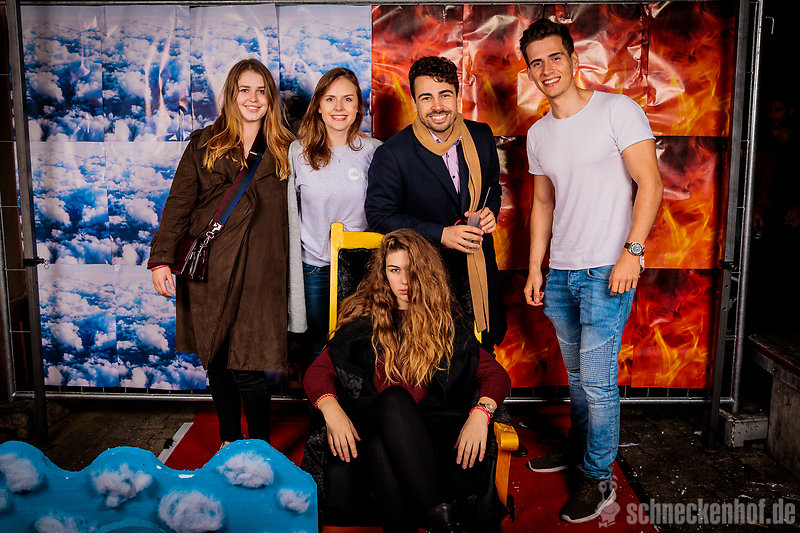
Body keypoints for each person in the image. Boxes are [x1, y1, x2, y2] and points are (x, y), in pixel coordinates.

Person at [519, 19, 663, 523]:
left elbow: (650, 183)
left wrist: (632, 252)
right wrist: (536, 268)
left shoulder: (616, 110)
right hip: (562, 272)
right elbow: (542, 203)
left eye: (554, 57)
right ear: (529, 72)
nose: (546, 69)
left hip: (608, 268)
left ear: (574, 59)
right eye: (536, 62)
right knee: (578, 378)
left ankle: (597, 476)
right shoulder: (538, 133)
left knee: (599, 384)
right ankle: (580, 451)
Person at [302, 229, 510, 533]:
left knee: (381, 446)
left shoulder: (446, 325)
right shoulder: (364, 323)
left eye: (411, 270)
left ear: (425, 272)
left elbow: (495, 373)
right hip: (368, 431)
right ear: (383, 274)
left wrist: (481, 413)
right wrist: (331, 409)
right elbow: (318, 372)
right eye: (394, 270)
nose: (404, 281)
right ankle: (445, 525)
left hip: (428, 442)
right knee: (392, 402)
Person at [149, 58, 305, 447]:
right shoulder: (204, 143)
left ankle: (259, 448)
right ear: (231, 95)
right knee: (217, 361)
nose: (253, 99)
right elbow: (179, 204)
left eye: (261, 91)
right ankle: (230, 440)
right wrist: (161, 259)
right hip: (210, 270)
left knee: (246, 366)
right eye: (244, 90)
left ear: (271, 98)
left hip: (260, 273)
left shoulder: (289, 149)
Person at [365, 56, 507, 349]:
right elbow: (379, 215)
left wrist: (490, 210)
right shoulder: (393, 153)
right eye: (426, 97)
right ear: (415, 102)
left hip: (479, 274)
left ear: (457, 96)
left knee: (483, 358)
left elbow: (493, 188)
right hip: (426, 281)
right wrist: (441, 234)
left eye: (444, 95)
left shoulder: (480, 135)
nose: (437, 106)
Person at [291, 68, 382, 364]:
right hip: (315, 269)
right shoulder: (298, 153)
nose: (339, 107)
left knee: (362, 347)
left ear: (358, 107)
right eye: (330, 99)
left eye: (348, 99)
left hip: (364, 268)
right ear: (318, 105)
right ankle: (319, 397)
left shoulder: (374, 151)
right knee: (318, 348)